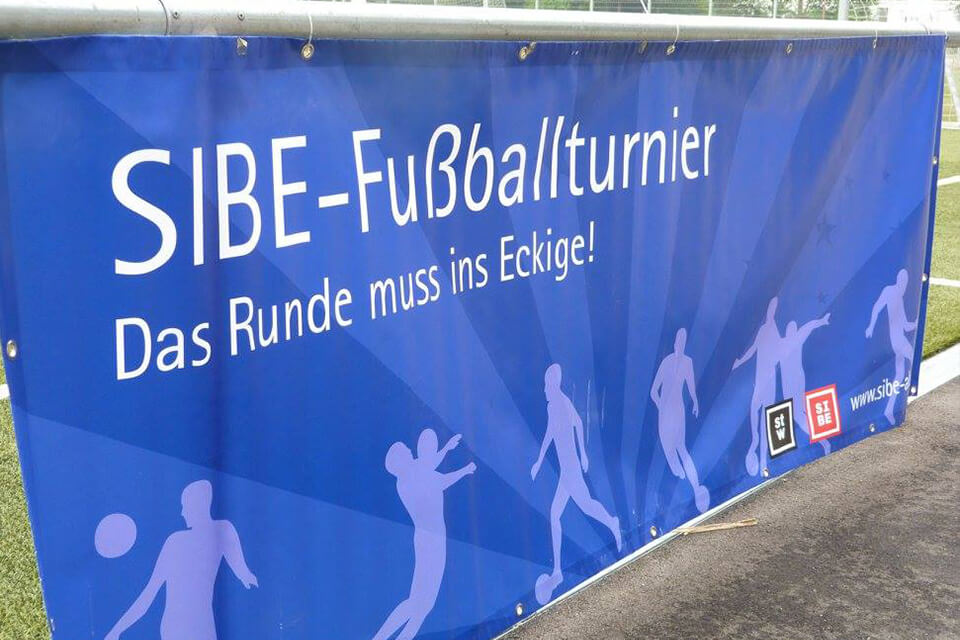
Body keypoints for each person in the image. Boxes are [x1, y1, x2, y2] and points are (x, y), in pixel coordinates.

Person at [105, 480, 258, 640]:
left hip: (199, 628)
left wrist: (246, 576)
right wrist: (117, 629)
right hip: (177, 629)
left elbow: (242, 570)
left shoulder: (217, 530)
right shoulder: (176, 541)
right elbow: (149, 594)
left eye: (185, 506)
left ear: (198, 506)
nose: (182, 513)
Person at [531, 364, 621, 605]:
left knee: (585, 506)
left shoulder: (561, 402)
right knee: (556, 514)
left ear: (553, 384)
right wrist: (539, 461)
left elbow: (579, 423)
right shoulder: (552, 405)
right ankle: (557, 572)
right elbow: (550, 434)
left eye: (547, 385)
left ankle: (612, 522)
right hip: (565, 471)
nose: (544, 389)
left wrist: (583, 454)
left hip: (571, 468)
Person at [373, 429, 475, 640]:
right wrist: (465, 470)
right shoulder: (410, 481)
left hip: (430, 539)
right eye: (406, 451)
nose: (410, 450)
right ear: (400, 462)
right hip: (431, 542)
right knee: (418, 604)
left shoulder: (410, 475)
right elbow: (441, 480)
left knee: (421, 605)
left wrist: (446, 448)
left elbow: (429, 464)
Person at [650, 329, 709, 513]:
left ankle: (697, 489)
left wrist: (695, 401)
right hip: (665, 414)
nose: (681, 345)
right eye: (679, 341)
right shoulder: (666, 362)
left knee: (681, 448)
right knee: (672, 456)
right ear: (675, 342)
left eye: (684, 341)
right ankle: (680, 480)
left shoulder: (687, 362)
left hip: (678, 411)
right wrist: (661, 407)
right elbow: (653, 391)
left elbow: (691, 386)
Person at [733, 297, 782, 476]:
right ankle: (755, 441)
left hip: (769, 381)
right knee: (754, 410)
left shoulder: (775, 331)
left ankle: (764, 462)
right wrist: (740, 362)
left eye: (774, 307)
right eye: (770, 307)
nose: (771, 311)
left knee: (765, 420)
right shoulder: (763, 329)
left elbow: (779, 354)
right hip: (760, 380)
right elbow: (753, 349)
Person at [866, 269, 918, 425]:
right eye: (904, 282)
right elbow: (877, 307)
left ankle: (888, 410)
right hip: (897, 340)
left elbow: (905, 325)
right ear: (899, 280)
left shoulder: (899, 297)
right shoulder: (889, 291)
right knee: (911, 357)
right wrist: (871, 326)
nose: (905, 286)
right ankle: (889, 408)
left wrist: (915, 323)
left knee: (899, 375)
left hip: (898, 338)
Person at [780, 313, 831, 452]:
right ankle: (824, 440)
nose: (791, 331)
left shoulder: (792, 339)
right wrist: (821, 321)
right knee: (801, 411)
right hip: (792, 384)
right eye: (790, 329)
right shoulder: (785, 342)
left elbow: (808, 326)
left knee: (799, 413)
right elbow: (808, 326)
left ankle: (824, 441)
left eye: (792, 329)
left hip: (794, 384)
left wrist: (821, 321)